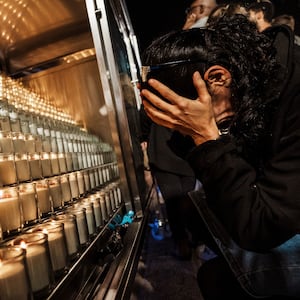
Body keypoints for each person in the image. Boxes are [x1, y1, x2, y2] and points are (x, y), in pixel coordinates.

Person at [140, 12, 300, 299]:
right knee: (211, 262)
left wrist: (205, 136)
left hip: (276, 223)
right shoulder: (253, 82)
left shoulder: (293, 94)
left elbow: (261, 226)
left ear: (216, 78)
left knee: (220, 279)